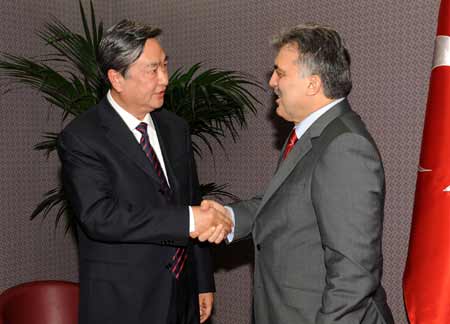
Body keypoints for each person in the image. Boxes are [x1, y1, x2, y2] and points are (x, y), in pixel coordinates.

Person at [202, 23, 394, 323]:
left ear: (312, 84)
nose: (272, 82)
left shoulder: (345, 146)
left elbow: (353, 273)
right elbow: (287, 203)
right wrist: (230, 217)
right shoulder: (313, 135)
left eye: (280, 73)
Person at [57, 19, 232, 324]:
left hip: (183, 295)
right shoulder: (82, 137)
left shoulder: (176, 128)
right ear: (117, 79)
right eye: (153, 70)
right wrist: (189, 219)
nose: (165, 79)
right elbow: (100, 216)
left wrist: (203, 282)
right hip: (125, 303)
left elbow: (191, 197)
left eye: (165, 65)